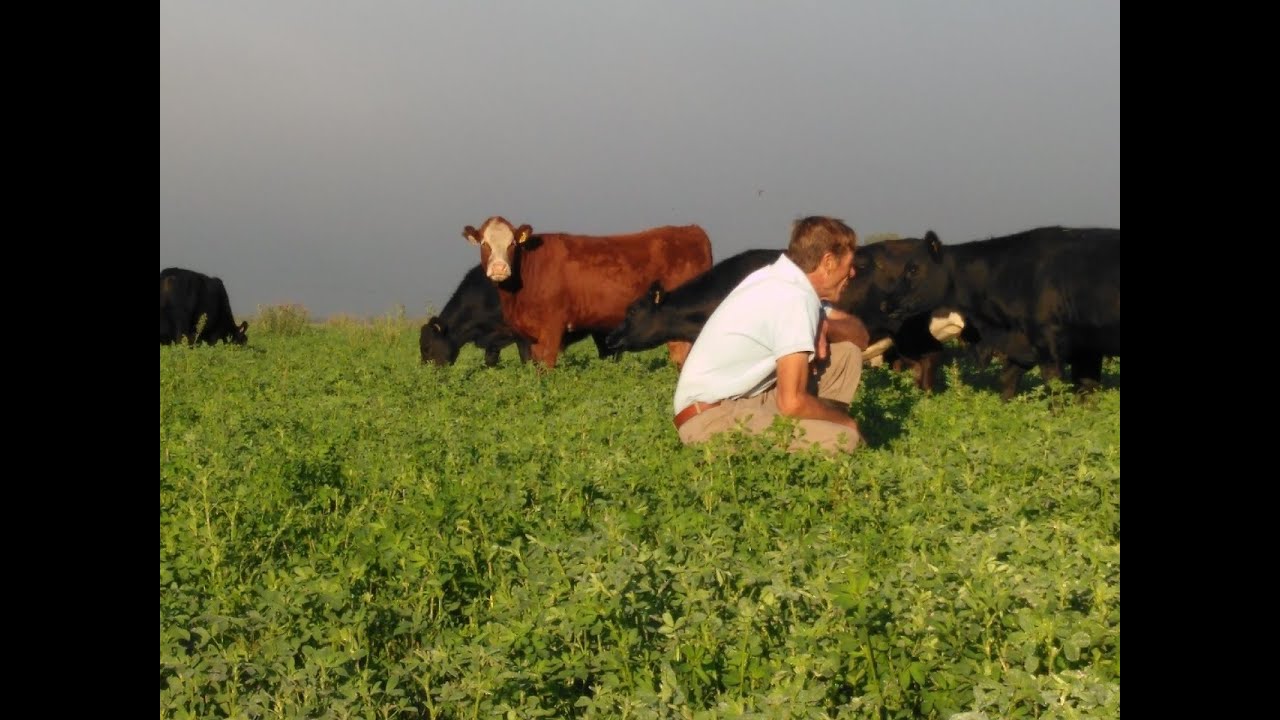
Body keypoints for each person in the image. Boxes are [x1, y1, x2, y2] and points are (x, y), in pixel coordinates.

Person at [671, 216, 868, 454]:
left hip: (738, 401)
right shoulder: (794, 298)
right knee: (845, 438)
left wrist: (824, 324)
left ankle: (821, 428)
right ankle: (827, 442)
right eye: (849, 264)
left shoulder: (780, 279)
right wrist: (846, 423)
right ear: (828, 262)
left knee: (845, 353)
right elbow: (791, 403)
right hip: (710, 420)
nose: (853, 272)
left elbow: (860, 338)